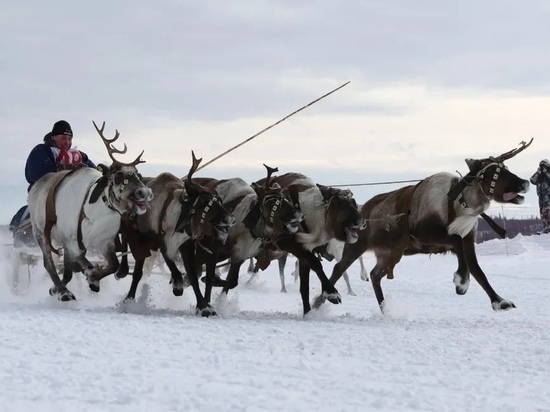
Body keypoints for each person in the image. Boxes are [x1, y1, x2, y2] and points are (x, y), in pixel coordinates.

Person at [10, 120, 96, 247]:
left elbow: (93, 172)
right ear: (54, 137)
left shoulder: (78, 156)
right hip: (45, 197)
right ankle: (24, 230)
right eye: (63, 138)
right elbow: (35, 172)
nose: (67, 142)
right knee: (33, 213)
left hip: (73, 198)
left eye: (69, 138)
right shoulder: (42, 150)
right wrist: (61, 168)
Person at [530, 159, 550, 234]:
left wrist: (546, 172)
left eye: (544, 166)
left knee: (548, 212)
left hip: (548, 197)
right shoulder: (539, 176)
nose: (542, 168)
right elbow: (532, 180)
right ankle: (546, 228)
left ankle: (549, 228)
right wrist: (538, 173)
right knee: (542, 213)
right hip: (541, 197)